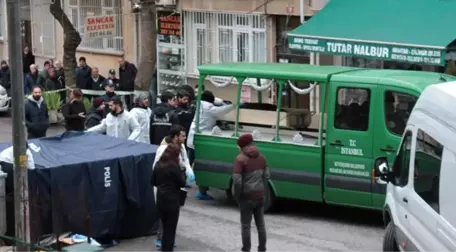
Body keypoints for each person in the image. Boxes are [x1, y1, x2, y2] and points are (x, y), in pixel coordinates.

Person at [152, 125, 195, 249]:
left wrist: (189, 171)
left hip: (175, 187)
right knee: (165, 217)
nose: (185, 138)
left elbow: (185, 161)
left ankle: (168, 239)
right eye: (182, 135)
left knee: (172, 217)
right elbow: (155, 168)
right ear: (176, 136)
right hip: (167, 187)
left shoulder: (181, 147)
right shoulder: (164, 149)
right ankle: (162, 239)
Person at [187, 90, 234, 200]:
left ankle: (186, 181)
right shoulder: (209, 108)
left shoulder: (200, 103)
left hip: (192, 136)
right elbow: (221, 110)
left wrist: (221, 101)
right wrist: (234, 105)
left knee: (189, 161)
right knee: (200, 164)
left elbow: (216, 100)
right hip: (200, 137)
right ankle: (201, 191)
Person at [233, 134, 268, 252]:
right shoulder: (262, 157)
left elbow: (237, 180)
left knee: (246, 226)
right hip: (260, 196)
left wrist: (237, 195)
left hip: (246, 197)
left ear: (241, 146)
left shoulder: (240, 159)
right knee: (261, 226)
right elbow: (267, 176)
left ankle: (246, 249)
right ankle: (262, 249)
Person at [151, 143, 186, 252]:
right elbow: (182, 183)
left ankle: (163, 247)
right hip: (172, 199)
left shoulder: (158, 164)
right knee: (170, 229)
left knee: (164, 226)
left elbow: (153, 181)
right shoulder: (174, 166)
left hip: (161, 198)